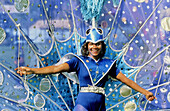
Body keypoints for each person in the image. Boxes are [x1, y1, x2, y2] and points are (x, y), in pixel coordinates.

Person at [15, 27, 156, 111]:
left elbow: (127, 81)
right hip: (83, 104)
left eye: (98, 44)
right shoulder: (78, 61)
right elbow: (55, 69)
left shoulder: (109, 64)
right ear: (87, 45)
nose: (94, 47)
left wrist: (145, 92)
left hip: (100, 106)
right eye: (91, 44)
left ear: (102, 45)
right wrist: (32, 70)